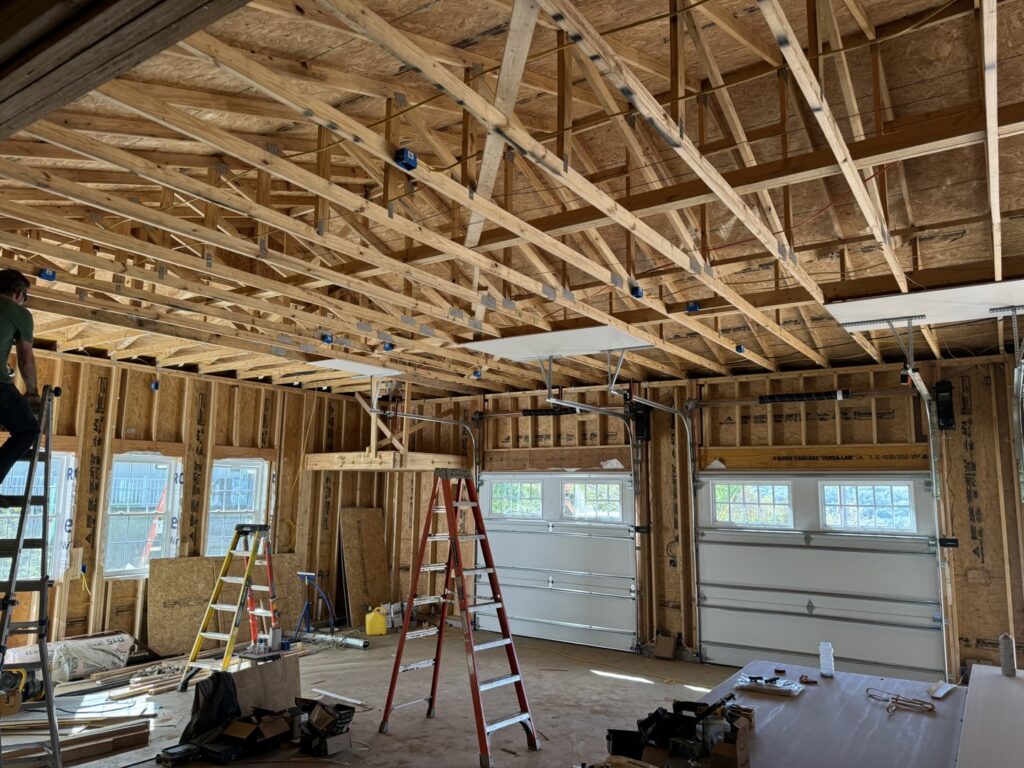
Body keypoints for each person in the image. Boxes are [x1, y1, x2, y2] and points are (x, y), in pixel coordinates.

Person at [0, 269, 39, 486]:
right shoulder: (19, 313)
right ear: (17, 293)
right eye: (26, 296)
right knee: (27, 430)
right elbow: (25, 358)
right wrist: (32, 392)